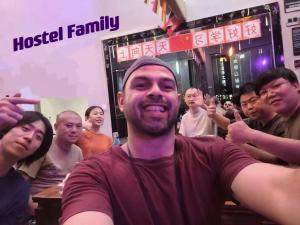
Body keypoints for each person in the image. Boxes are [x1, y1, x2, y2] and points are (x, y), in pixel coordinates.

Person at [61, 56, 300, 225]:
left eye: (166, 86)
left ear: (176, 100)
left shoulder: (214, 153)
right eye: (142, 85)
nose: (155, 91)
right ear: (121, 100)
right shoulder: (92, 173)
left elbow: (281, 190)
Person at [228, 68, 300, 165]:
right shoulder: (288, 119)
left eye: (276, 86)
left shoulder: (281, 121)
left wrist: (249, 135)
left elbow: (280, 160)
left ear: (296, 85)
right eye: (264, 92)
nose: (270, 94)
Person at [0, 95, 53, 225]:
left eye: (38, 137)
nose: (29, 137)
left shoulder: (19, 187)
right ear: (6, 128)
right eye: (25, 128)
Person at [18, 110, 83, 196]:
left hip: (67, 201)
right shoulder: (43, 147)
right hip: (39, 203)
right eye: (69, 125)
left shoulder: (78, 151)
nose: (74, 130)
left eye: (78, 126)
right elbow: (21, 182)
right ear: (56, 127)